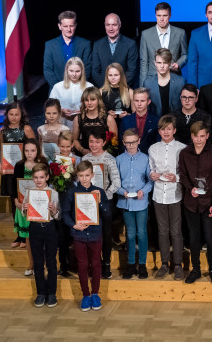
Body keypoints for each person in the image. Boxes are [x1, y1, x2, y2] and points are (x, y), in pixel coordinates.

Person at [178, 122, 212, 284]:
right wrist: (190, 188)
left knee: (210, 239)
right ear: (191, 136)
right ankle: (195, 270)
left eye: (202, 136)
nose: (199, 139)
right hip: (191, 202)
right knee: (194, 238)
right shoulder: (184, 153)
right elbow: (182, 175)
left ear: (207, 136)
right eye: (196, 136)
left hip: (208, 203)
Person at [63, 161, 108, 311]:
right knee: (82, 265)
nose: (84, 178)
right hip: (79, 234)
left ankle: (95, 294)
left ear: (92, 175)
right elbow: (65, 213)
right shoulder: (72, 192)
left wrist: (100, 202)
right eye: (81, 176)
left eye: (87, 175)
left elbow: (108, 214)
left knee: (96, 264)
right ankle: (85, 295)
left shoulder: (99, 191)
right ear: (77, 176)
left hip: (95, 234)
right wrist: (73, 225)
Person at [148, 115, 186, 280]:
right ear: (159, 131)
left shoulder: (182, 148)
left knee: (176, 231)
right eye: (163, 129)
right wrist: (152, 175)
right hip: (158, 195)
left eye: (169, 129)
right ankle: (164, 264)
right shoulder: (153, 148)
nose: (166, 132)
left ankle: (177, 265)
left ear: (174, 130)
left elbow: (186, 173)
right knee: (163, 231)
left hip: (174, 194)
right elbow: (150, 170)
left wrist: (175, 178)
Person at [82, 130, 121, 279]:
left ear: (104, 142)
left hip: (104, 202)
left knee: (105, 234)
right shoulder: (85, 159)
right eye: (91, 141)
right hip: (87, 203)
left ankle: (106, 264)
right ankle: (93, 263)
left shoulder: (109, 159)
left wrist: (103, 196)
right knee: (90, 234)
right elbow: (79, 180)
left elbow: (116, 182)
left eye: (97, 142)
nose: (94, 145)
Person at [21, 163, 61, 308]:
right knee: (38, 262)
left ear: (47, 177)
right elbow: (24, 213)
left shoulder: (53, 193)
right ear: (33, 178)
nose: (39, 180)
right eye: (36, 177)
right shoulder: (29, 192)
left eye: (41, 177)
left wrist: (54, 210)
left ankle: (52, 294)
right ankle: (41, 293)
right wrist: (24, 209)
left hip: (49, 228)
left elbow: (57, 216)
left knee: (51, 262)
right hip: (35, 228)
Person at [115, 128, 152, 280]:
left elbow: (150, 181)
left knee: (141, 233)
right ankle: (131, 264)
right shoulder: (118, 160)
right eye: (128, 143)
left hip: (141, 202)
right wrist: (121, 191)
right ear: (123, 143)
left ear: (139, 141)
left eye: (134, 142)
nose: (131, 145)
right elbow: (115, 182)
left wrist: (143, 190)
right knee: (130, 234)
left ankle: (142, 264)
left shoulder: (145, 159)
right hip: (126, 202)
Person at [0, 102, 37, 248]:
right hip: (10, 172)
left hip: (24, 171)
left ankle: (28, 234)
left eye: (17, 114)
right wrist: (0, 165)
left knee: (27, 202)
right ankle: (20, 235)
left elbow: (34, 147)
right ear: (6, 115)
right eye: (11, 114)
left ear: (22, 115)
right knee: (14, 203)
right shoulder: (2, 131)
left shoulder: (26, 129)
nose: (14, 117)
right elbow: (2, 151)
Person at [14, 139, 48, 277]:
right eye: (27, 151)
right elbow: (13, 186)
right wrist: (16, 201)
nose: (29, 153)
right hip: (24, 206)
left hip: (40, 206)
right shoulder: (19, 165)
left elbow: (48, 186)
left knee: (42, 236)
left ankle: (43, 263)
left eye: (32, 150)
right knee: (28, 236)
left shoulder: (43, 165)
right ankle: (32, 263)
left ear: (37, 151)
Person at [139, 2, 188, 85]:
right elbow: (144, 62)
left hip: (174, 77)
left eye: (165, 15)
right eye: (159, 15)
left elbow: (185, 54)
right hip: (153, 79)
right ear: (155, 16)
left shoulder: (180, 33)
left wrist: (178, 64)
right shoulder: (146, 34)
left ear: (170, 16)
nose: (161, 19)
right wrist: (142, 86)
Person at [44, 10, 92, 88]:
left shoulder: (85, 44)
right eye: (65, 26)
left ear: (75, 25)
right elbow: (47, 70)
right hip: (57, 90)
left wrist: (76, 86)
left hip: (79, 89)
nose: (69, 29)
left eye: (71, 26)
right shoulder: (50, 45)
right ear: (59, 26)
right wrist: (60, 88)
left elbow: (87, 67)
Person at [91, 13, 139, 87]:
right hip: (103, 90)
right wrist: (106, 87)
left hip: (124, 90)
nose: (111, 28)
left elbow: (132, 70)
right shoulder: (97, 45)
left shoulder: (130, 44)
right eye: (108, 25)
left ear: (119, 25)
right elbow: (95, 71)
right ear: (105, 25)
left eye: (114, 25)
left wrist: (119, 87)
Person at [54, 130, 77, 276]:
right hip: (60, 201)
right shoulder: (54, 161)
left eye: (68, 146)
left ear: (72, 145)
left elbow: (81, 180)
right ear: (58, 145)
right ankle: (63, 265)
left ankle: (74, 264)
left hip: (74, 201)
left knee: (74, 234)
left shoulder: (77, 160)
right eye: (62, 146)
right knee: (62, 235)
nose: (65, 149)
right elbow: (51, 184)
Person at [73, 87, 117, 156]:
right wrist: (83, 150)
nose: (89, 103)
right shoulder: (78, 118)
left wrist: (104, 153)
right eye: (86, 100)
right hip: (85, 155)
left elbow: (114, 141)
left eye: (92, 100)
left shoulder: (108, 118)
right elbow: (74, 140)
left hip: (104, 156)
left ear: (98, 100)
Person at [49, 57, 91, 129]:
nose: (74, 74)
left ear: (82, 71)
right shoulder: (57, 87)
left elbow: (97, 106)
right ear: (66, 71)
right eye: (71, 71)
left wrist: (85, 109)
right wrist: (61, 109)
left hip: (83, 124)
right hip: (62, 123)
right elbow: (50, 107)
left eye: (77, 71)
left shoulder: (89, 86)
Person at [144, 48, 185, 118]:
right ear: (155, 63)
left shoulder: (181, 81)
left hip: (176, 122)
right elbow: (147, 109)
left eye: (165, 63)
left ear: (169, 63)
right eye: (159, 63)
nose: (162, 66)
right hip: (156, 123)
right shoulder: (148, 83)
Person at [119, 88, 159, 154]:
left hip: (150, 157)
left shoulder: (156, 120)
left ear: (148, 102)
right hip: (129, 157)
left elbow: (158, 142)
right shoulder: (125, 120)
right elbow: (121, 143)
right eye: (136, 101)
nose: (139, 104)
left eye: (142, 101)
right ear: (133, 101)